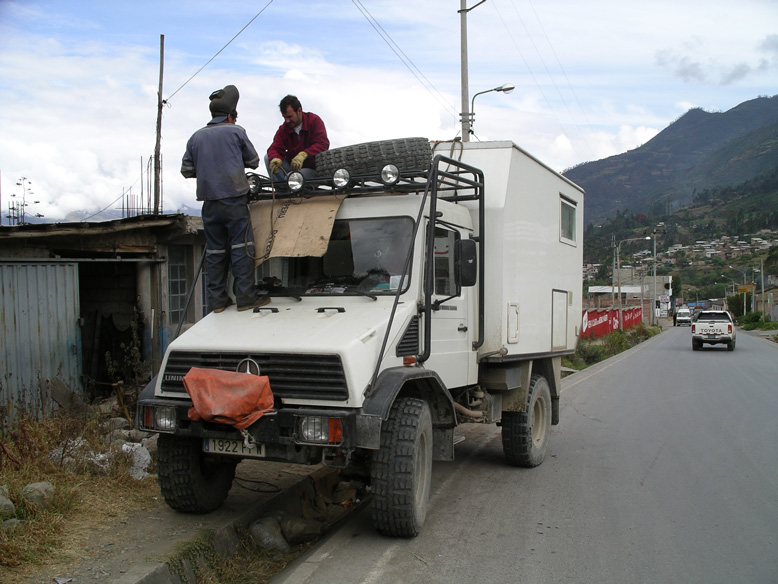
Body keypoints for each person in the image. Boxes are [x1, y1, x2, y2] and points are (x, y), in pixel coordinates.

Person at [181, 84, 269, 313]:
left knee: (215, 251)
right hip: (234, 201)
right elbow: (253, 161)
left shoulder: (195, 137)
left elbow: (187, 170)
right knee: (241, 247)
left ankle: (218, 302)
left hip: (209, 203)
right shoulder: (235, 131)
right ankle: (246, 298)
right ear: (230, 115)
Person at [266, 94, 329, 181]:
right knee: (268, 158)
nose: (287, 121)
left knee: (292, 177)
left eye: (289, 116)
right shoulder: (284, 129)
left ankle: (289, 184)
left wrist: (303, 155)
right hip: (293, 168)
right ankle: (282, 190)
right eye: (284, 117)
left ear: (299, 111)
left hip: (313, 169)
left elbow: (322, 144)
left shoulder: (314, 120)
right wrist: (274, 157)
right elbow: (275, 147)